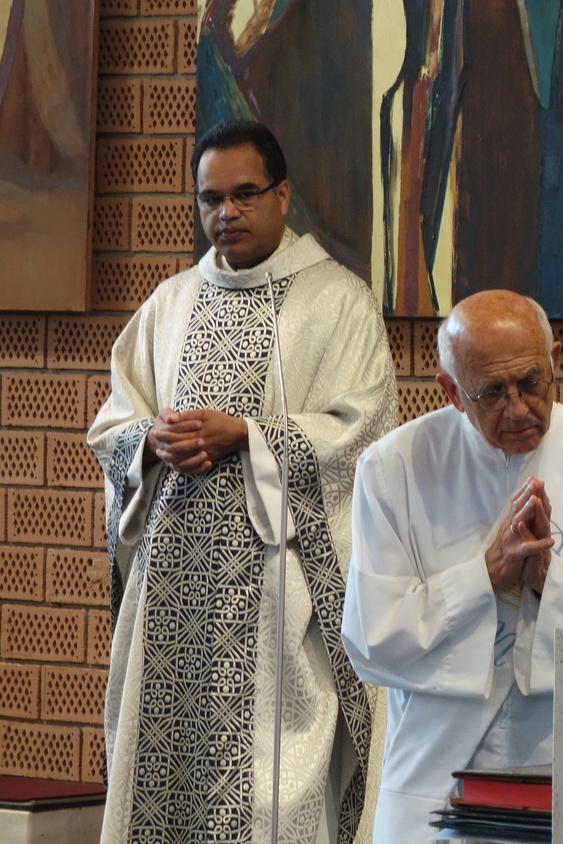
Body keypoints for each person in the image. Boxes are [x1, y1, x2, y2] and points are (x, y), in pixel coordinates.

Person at [88, 120, 398, 844]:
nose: (225, 212)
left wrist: (250, 437)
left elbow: (364, 431)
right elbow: (113, 425)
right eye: (210, 198)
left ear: (281, 195)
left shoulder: (338, 301)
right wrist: (149, 441)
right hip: (171, 599)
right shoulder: (170, 303)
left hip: (279, 598)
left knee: (270, 799)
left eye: (244, 194)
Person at [340, 290, 563, 842]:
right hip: (435, 777)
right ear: (451, 392)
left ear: (555, 362)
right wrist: (485, 574)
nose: (519, 408)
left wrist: (550, 580)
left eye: (531, 382)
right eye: (492, 392)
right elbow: (372, 641)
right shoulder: (393, 470)